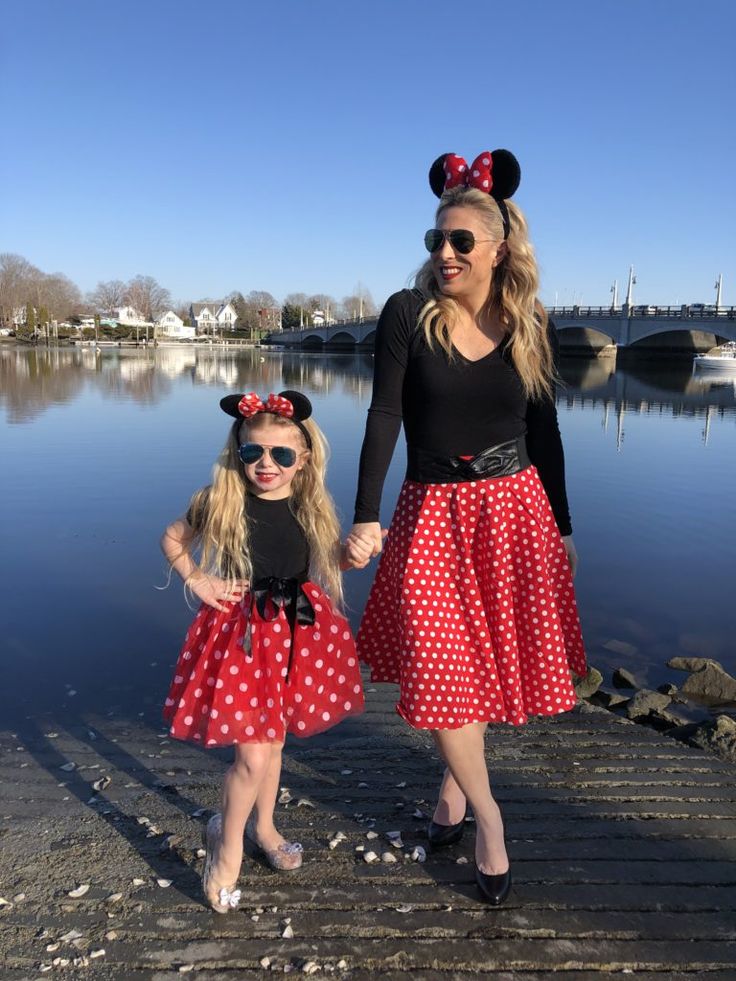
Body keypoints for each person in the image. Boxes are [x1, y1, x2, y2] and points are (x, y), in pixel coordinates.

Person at [345, 150, 587, 906]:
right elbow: (384, 414)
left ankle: (453, 787)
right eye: (434, 240)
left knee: (481, 663)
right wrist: (364, 513)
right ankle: (489, 817)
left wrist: (565, 526)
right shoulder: (406, 315)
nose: (442, 254)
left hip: (515, 511)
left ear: (498, 249)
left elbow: (544, 429)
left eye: (459, 242)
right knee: (442, 663)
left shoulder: (528, 321)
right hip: (431, 511)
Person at [162, 390, 369, 913]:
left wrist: (353, 554)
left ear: (305, 459)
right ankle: (225, 846)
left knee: (273, 743)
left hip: (297, 634)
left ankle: (265, 827)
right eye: (253, 453)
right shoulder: (219, 500)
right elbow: (172, 539)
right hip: (242, 636)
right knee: (252, 753)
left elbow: (328, 560)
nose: (266, 464)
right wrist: (200, 579)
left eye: (281, 454)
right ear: (238, 453)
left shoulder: (311, 505)